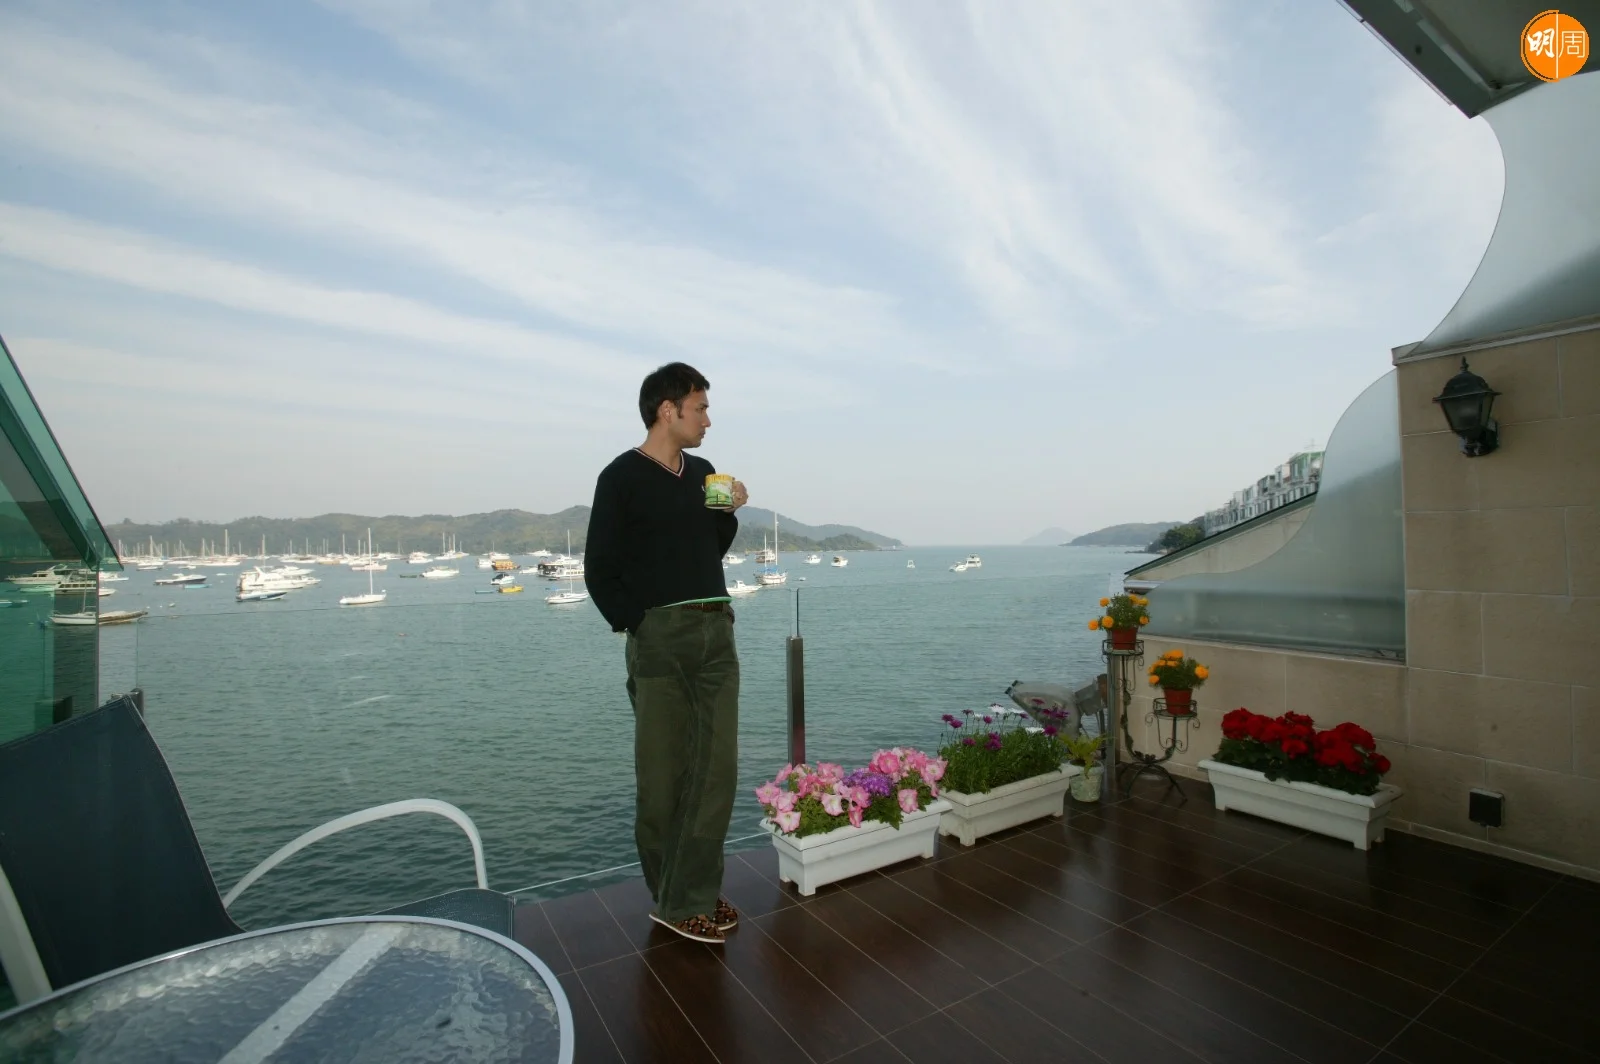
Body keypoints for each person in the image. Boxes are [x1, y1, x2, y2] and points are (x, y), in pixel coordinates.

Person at [585, 362, 748, 944]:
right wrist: (639, 622)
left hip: (715, 629)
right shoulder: (621, 477)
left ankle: (691, 894)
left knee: (716, 773)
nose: (707, 420)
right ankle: (676, 899)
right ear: (667, 410)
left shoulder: (703, 473)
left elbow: (707, 549)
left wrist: (727, 513)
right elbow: (599, 567)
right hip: (661, 636)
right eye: (700, 408)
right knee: (662, 777)